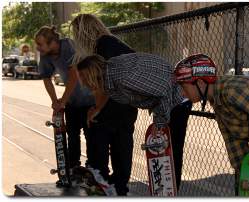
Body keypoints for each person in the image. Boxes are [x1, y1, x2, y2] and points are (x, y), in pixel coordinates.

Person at [174, 54, 249, 192]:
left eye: (183, 87)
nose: (182, 93)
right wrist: (244, 172)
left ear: (200, 82)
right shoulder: (218, 101)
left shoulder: (232, 92)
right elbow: (233, 141)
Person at [76, 52, 192, 191]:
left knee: (170, 158)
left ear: (92, 74)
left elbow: (164, 89)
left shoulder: (122, 76)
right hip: (166, 102)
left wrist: (159, 122)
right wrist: (96, 109)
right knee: (163, 156)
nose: (82, 83)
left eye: (83, 77)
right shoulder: (110, 74)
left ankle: (170, 195)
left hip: (176, 100)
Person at [70, 14, 138, 196]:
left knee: (97, 157)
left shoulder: (101, 47)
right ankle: (120, 191)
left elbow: (104, 84)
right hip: (128, 106)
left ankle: (101, 189)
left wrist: (96, 109)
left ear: (82, 32)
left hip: (112, 106)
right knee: (122, 152)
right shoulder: (116, 43)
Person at [34, 26, 98, 179]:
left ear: (53, 42)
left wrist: (62, 101)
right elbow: (46, 78)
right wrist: (55, 101)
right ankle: (73, 166)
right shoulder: (46, 55)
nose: (37, 48)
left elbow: (74, 75)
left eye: (40, 44)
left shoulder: (69, 46)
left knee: (91, 135)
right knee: (72, 135)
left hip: (90, 99)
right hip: (73, 102)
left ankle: (93, 168)